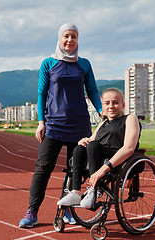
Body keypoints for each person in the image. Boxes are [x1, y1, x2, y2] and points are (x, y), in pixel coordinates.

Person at [19, 23, 102, 228]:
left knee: (76, 169)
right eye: (66, 36)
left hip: (80, 126)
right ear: (60, 38)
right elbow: (41, 93)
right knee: (43, 169)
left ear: (77, 40)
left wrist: (102, 112)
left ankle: (67, 211)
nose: (70, 40)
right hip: (54, 125)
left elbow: (92, 91)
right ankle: (32, 212)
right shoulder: (48, 63)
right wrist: (41, 122)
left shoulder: (84, 64)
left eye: (74, 36)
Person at [57, 88, 141, 208]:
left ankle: (93, 190)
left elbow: (129, 148)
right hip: (98, 157)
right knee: (79, 148)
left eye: (115, 102)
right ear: (103, 106)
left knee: (93, 145)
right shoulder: (103, 124)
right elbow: (91, 141)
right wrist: (83, 141)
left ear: (123, 105)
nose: (111, 106)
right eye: (107, 103)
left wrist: (103, 170)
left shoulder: (130, 119)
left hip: (116, 158)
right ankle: (75, 192)